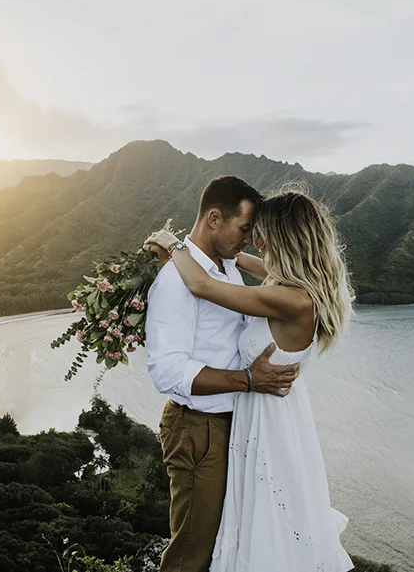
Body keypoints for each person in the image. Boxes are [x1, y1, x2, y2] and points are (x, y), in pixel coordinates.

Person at [145, 185, 355, 572]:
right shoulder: (292, 285)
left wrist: (176, 248)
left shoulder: (290, 298)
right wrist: (213, 252)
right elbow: (168, 367)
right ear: (214, 219)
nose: (254, 241)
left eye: (261, 235)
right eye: (247, 229)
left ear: (284, 242)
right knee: (205, 547)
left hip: (261, 424)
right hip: (241, 423)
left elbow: (203, 286)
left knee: (255, 535)